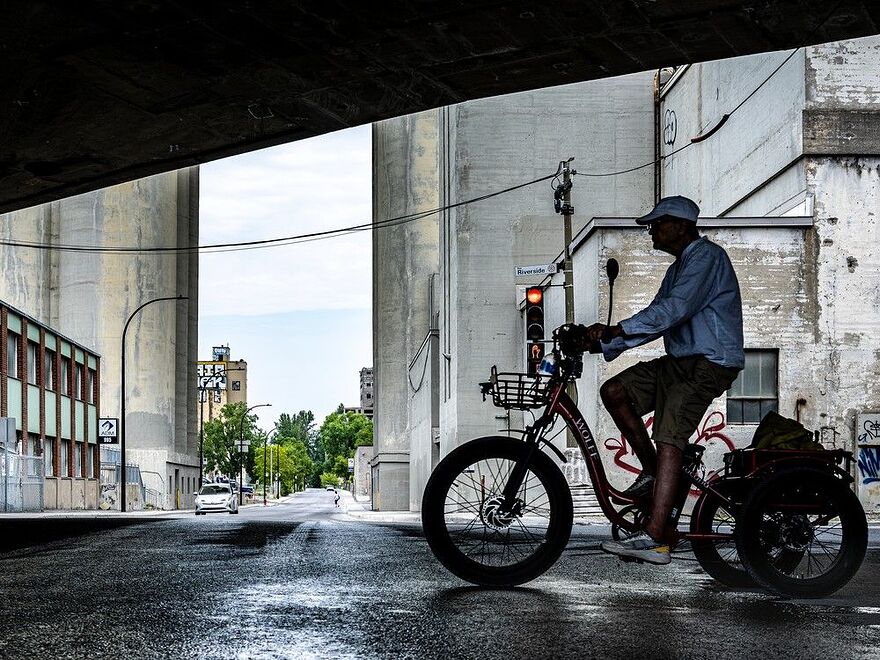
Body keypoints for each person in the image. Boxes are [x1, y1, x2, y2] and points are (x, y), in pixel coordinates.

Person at [580, 195, 744, 564]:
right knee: (615, 390)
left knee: (669, 433)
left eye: (658, 222)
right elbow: (657, 317)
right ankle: (655, 474)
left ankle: (656, 536)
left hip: (709, 363)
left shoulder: (707, 257)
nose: (652, 229)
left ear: (682, 225)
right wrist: (603, 341)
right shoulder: (677, 269)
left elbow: (675, 310)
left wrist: (614, 328)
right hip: (679, 362)